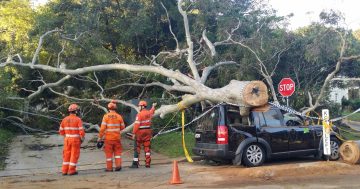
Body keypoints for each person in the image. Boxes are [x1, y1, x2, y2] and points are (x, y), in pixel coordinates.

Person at [98, 101, 126, 172]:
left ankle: (109, 168)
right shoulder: (119, 116)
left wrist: (100, 137)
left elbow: (102, 129)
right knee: (117, 153)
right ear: (115, 108)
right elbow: (123, 128)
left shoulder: (106, 116)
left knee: (109, 154)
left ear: (108, 108)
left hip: (108, 139)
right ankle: (118, 166)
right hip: (117, 138)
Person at [59, 104, 85, 176]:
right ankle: (71, 171)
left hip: (67, 139)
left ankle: (64, 171)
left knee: (66, 155)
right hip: (75, 140)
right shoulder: (78, 119)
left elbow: (61, 131)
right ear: (76, 111)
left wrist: (66, 137)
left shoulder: (64, 119)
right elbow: (81, 131)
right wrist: (82, 139)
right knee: (74, 155)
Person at [130, 100, 156, 168]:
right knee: (147, 148)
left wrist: (133, 133)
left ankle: (136, 163)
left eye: (139, 106)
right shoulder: (149, 113)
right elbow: (152, 111)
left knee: (137, 148)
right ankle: (148, 163)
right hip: (148, 131)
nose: (138, 107)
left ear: (142, 106)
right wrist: (153, 106)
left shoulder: (139, 114)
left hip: (140, 132)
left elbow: (136, 125)